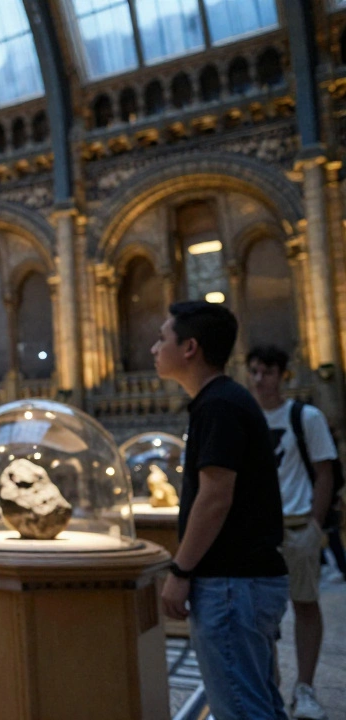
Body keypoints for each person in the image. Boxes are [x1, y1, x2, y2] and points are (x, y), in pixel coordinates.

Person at [152, 302, 288, 720]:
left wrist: (180, 571)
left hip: (232, 583)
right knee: (259, 702)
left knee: (242, 709)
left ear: (190, 347)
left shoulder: (219, 405)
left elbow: (215, 495)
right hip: (243, 581)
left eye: (163, 338)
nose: (156, 347)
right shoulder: (223, 400)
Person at [246, 345, 335, 720]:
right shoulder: (245, 417)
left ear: (282, 374)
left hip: (298, 524)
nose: (258, 379)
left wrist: (315, 524)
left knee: (304, 603)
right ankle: (269, 686)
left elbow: (325, 472)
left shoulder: (305, 416)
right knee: (259, 612)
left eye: (266, 371)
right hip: (258, 531)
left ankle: (306, 688)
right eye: (252, 371)